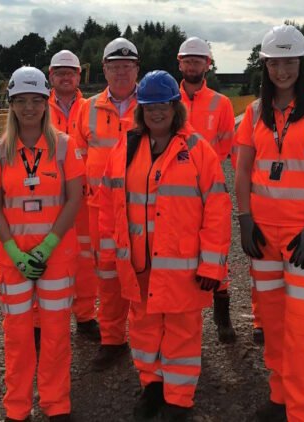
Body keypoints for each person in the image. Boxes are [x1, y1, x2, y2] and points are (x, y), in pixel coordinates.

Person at [97, 70, 230, 421]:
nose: (157, 113)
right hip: (139, 263)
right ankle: (152, 385)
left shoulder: (198, 150)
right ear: (140, 109)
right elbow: (109, 201)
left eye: (164, 106)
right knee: (143, 328)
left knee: (182, 333)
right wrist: (110, 252)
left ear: (175, 108)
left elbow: (217, 209)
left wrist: (213, 265)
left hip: (182, 265)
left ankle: (179, 400)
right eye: (149, 106)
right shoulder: (125, 149)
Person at [234, 25, 304, 422]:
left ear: (302, 64)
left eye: (289, 61)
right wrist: (244, 219)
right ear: (265, 65)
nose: (282, 70)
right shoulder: (255, 113)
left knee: (303, 329)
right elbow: (242, 170)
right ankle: (280, 397)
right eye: (275, 62)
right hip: (263, 235)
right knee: (275, 324)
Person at [0, 66, 83, 422]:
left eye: (36, 100)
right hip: (14, 260)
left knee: (56, 336)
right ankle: (17, 408)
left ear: (46, 102)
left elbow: (74, 199)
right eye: (21, 101)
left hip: (54, 257)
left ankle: (57, 405)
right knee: (18, 338)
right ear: (11, 104)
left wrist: (46, 247)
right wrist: (13, 251)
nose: (28, 108)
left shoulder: (65, 147)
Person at [73, 37, 140, 371]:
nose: (121, 73)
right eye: (114, 67)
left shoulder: (153, 103)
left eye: (127, 66)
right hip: (101, 208)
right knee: (108, 274)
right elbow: (79, 153)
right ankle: (114, 339)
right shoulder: (88, 107)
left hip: (142, 208)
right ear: (104, 69)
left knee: (142, 273)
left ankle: (148, 342)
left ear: (136, 69)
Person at [176, 36, 240, 344]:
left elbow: (227, 146)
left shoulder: (221, 104)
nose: (192, 65)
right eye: (188, 61)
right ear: (180, 63)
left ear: (207, 65)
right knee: (176, 249)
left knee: (217, 248)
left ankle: (222, 313)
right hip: (174, 189)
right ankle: (177, 314)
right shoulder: (167, 99)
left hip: (210, 188)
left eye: (197, 61)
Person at [47, 50, 100, 341]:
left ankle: (85, 315)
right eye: (59, 72)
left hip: (83, 195)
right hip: (49, 196)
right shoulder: (37, 105)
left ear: (79, 76)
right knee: (47, 254)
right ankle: (44, 319)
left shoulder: (91, 108)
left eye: (71, 72)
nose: (65, 76)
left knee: (85, 259)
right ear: (50, 76)